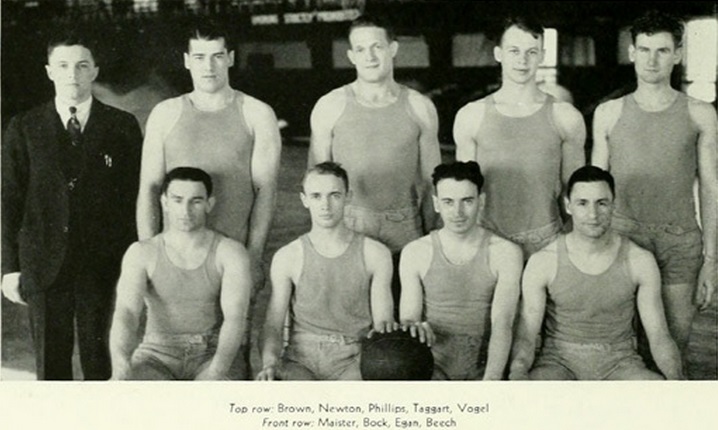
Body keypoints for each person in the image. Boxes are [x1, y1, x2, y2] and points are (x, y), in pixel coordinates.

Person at [136, 19, 281, 378]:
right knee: (167, 354)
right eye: (199, 57)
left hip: (231, 261)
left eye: (217, 56)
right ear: (187, 60)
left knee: (229, 362)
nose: (209, 66)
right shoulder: (165, 114)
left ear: (230, 58)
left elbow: (265, 191)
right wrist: (148, 253)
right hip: (175, 259)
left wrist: (255, 256)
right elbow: (149, 189)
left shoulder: (257, 114)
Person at [1, 31, 143, 380]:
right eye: (63, 66)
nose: (72, 75)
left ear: (95, 70)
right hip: (43, 264)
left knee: (101, 360)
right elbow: (8, 200)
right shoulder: (24, 127)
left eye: (81, 65)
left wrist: (136, 263)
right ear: (49, 71)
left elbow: (136, 199)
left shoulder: (121, 126)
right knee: (51, 367)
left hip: (103, 264)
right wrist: (8, 267)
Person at [591, 10, 717, 366]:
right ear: (632, 53)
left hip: (679, 241)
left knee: (673, 350)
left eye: (662, 50)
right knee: (621, 350)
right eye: (644, 50)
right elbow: (593, 191)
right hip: (622, 239)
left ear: (677, 54)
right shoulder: (609, 113)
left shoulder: (700, 112)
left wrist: (712, 260)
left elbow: (711, 187)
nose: (652, 59)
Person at [308, 14, 441, 310]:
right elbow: (317, 182)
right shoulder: (330, 106)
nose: (369, 56)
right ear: (351, 55)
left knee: (404, 317)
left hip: (405, 226)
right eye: (361, 49)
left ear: (392, 49)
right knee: (351, 315)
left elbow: (434, 182)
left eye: (377, 47)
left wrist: (430, 236)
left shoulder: (420, 106)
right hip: (350, 224)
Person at [509, 166, 683, 380]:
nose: (593, 215)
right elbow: (526, 335)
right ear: (568, 206)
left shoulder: (640, 261)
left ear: (614, 206)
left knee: (661, 395)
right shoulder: (543, 261)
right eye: (583, 203)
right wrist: (517, 372)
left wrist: (678, 381)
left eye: (601, 203)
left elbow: (659, 337)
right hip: (559, 363)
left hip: (620, 363)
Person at [453, 15, 586, 258]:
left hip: (547, 245)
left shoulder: (566, 116)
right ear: (498, 54)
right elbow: (463, 193)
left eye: (531, 52)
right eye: (514, 51)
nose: (522, 61)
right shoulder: (470, 116)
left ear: (542, 55)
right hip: (488, 246)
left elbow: (577, 194)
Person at [257, 162, 396, 381]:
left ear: (348, 197)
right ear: (305, 200)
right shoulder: (288, 256)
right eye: (316, 196)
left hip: (355, 358)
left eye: (334, 195)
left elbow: (382, 326)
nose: (326, 205)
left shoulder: (375, 254)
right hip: (300, 359)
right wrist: (270, 363)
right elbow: (273, 325)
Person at [110, 167, 252, 380]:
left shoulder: (230, 252)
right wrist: (120, 366)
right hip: (156, 353)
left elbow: (235, 318)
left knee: (214, 401)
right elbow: (126, 313)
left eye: (195, 201)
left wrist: (217, 371)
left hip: (211, 352)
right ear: (164, 203)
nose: (185, 210)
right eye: (177, 200)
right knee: (132, 396)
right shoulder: (141, 252)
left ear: (209, 204)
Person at [400, 161, 523, 380]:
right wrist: (414, 328)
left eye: (467, 201)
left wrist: (491, 379)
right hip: (432, 366)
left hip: (484, 365)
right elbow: (409, 318)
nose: (457, 212)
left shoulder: (505, 252)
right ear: (436, 204)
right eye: (448, 202)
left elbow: (503, 322)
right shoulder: (415, 252)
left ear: (481, 201)